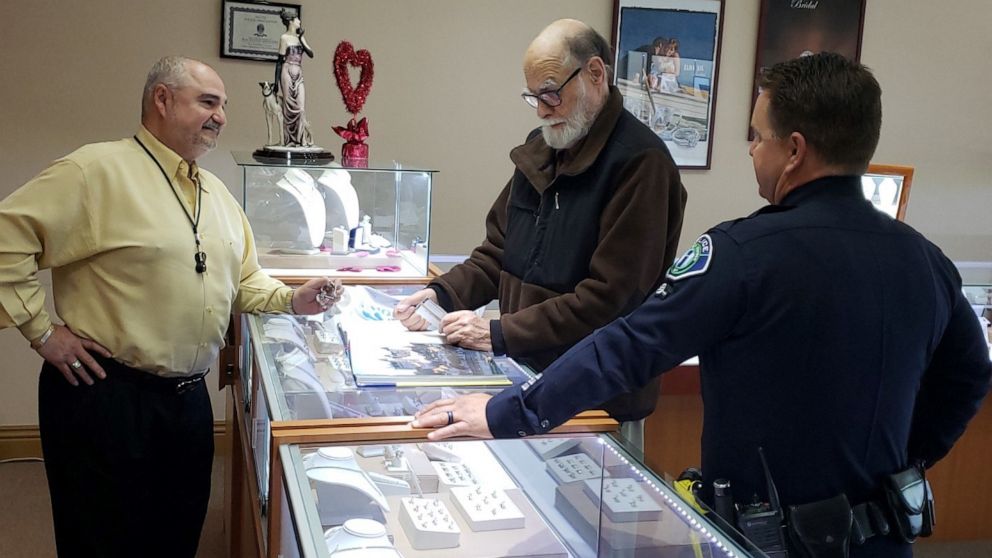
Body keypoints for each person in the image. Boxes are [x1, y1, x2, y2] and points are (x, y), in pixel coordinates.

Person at [412, 53, 992, 557]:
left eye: (757, 136)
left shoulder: (744, 254)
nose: (749, 150)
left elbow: (631, 345)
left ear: (794, 151)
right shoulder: (927, 261)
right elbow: (968, 376)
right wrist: (905, 461)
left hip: (766, 539)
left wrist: (508, 412)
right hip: (884, 537)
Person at [0, 56, 341, 557]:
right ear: (162, 99)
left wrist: (293, 298)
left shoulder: (216, 194)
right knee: (100, 539)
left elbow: (242, 279)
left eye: (223, 105)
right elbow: (7, 236)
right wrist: (42, 331)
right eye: (208, 101)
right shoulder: (96, 170)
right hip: (104, 396)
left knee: (176, 535)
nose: (221, 115)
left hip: (186, 403)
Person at [394, 19, 687, 449]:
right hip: (523, 383)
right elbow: (498, 253)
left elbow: (608, 300)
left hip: (595, 403)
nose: (542, 110)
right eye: (534, 96)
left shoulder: (641, 164)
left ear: (594, 74)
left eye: (551, 94)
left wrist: (499, 332)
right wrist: (441, 294)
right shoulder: (543, 146)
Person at [275, 8, 314, 147]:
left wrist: (301, 38)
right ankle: (289, 141)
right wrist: (276, 83)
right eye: (297, 19)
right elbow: (279, 61)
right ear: (291, 21)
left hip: (298, 71)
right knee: (288, 106)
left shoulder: (300, 37)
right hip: (287, 70)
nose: (299, 21)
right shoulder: (284, 38)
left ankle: (301, 140)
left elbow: (311, 53)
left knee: (300, 107)